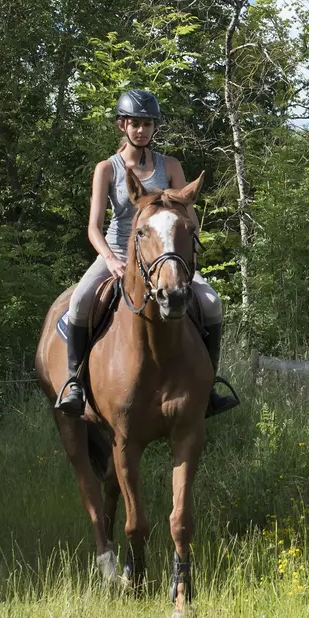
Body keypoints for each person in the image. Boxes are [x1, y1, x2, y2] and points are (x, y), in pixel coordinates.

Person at [53, 88, 239, 417]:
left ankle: (209, 385)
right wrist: (110, 258)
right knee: (81, 300)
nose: (141, 130)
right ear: (122, 125)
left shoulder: (170, 166)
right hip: (117, 252)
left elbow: (188, 219)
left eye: (147, 124)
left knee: (211, 301)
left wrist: (185, 256)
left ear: (155, 128)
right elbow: (93, 227)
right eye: (135, 123)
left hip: (165, 254)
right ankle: (74, 383)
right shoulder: (106, 169)